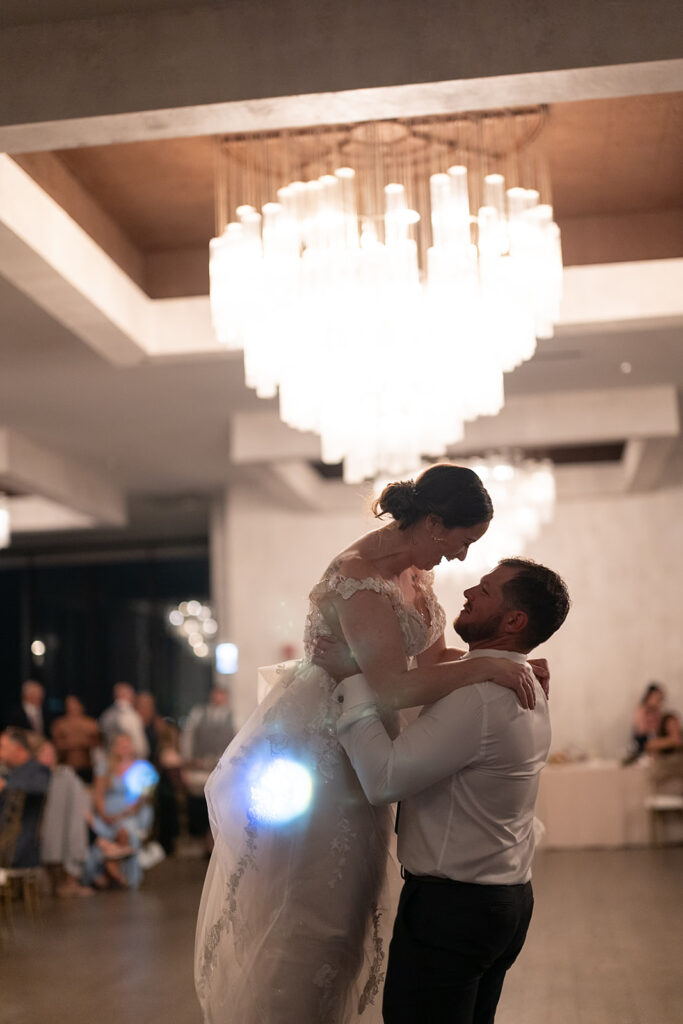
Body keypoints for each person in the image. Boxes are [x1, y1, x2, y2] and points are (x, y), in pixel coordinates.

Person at [195, 465, 545, 1024]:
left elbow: (427, 663)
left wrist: (505, 661)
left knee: (352, 916)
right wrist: (485, 668)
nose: (460, 557)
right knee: (315, 918)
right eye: (462, 541)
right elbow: (389, 687)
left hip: (368, 742)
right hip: (329, 753)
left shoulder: (415, 573)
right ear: (433, 523)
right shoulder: (355, 578)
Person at [325, 558, 570, 1023]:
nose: (470, 591)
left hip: (456, 911)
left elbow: (384, 779)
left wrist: (350, 684)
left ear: (514, 620)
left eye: (487, 590)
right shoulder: (526, 682)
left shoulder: (479, 696)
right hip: (504, 900)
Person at [82, 732, 156, 890]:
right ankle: (109, 868)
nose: (123, 748)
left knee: (125, 830)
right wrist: (104, 814)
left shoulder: (142, 767)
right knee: (99, 828)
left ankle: (115, 867)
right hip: (107, 812)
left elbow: (142, 799)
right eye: (119, 744)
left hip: (130, 813)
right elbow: (99, 794)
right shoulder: (104, 766)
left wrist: (121, 815)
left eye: (126, 744)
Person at [36, 739, 92, 897]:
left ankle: (70, 878)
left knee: (75, 828)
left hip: (67, 825)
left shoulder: (66, 775)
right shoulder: (33, 777)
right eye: (43, 753)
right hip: (44, 828)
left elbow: (79, 801)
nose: (48, 756)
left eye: (50, 752)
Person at [0, 727, 50, 868]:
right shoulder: (10, 773)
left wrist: (6, 785)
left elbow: (40, 787)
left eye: (2, 747)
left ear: (19, 749)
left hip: (18, 846)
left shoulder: (37, 771)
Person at [51, 695, 100, 783]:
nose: (72, 707)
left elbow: (97, 742)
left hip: (87, 765)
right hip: (66, 765)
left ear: (81, 705)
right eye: (69, 704)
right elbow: (56, 744)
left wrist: (74, 742)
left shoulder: (90, 723)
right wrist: (78, 743)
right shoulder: (59, 724)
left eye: (75, 704)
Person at [99, 682, 149, 759]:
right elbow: (139, 745)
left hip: (111, 760)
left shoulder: (106, 715)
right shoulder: (131, 716)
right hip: (129, 760)